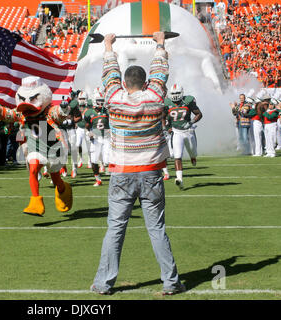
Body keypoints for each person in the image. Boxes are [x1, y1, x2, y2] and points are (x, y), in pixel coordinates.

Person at [91, 32, 185, 296]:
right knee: (157, 229)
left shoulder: (113, 98)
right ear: (145, 83)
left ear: (124, 82)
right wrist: (159, 44)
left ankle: (103, 283)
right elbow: (161, 72)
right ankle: (170, 281)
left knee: (115, 229)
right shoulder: (155, 98)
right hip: (152, 173)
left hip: (121, 174)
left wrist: (109, 45)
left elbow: (109, 73)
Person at [164, 84, 203, 190]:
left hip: (189, 131)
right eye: (173, 93)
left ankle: (193, 157)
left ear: (181, 93)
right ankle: (179, 179)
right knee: (177, 156)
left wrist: (191, 122)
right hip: (176, 132)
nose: (175, 96)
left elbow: (199, 114)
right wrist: (167, 127)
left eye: (177, 93)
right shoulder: (167, 103)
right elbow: (163, 117)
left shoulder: (188, 101)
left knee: (193, 152)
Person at [85, 87, 110, 186]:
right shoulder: (89, 112)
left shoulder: (107, 111)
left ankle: (114, 176)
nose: (101, 103)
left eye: (102, 101)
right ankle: (98, 179)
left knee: (107, 160)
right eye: (99, 101)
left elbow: (113, 123)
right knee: (94, 160)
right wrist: (88, 133)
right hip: (96, 139)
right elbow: (86, 125)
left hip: (107, 138)